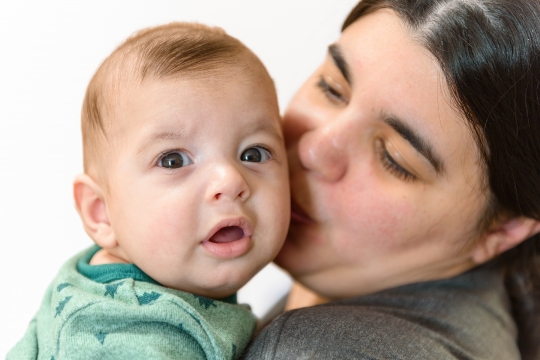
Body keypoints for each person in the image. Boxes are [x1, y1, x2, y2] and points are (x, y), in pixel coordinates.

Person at [243, 0, 540, 359]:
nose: (314, 150)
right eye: (332, 88)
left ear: (503, 230)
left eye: (394, 160)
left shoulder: (315, 349)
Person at [8, 22, 290, 360]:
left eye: (253, 154)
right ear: (102, 212)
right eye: (173, 161)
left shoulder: (114, 281)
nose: (231, 180)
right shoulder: (126, 333)